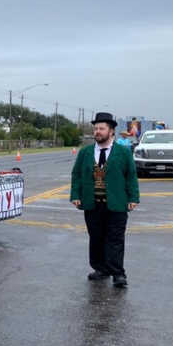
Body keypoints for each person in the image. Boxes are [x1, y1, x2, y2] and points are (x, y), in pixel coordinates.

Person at [70, 112, 140, 288]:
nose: (98, 132)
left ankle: (118, 273)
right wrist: (75, 195)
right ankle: (101, 269)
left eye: (102, 128)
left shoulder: (123, 152)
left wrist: (133, 197)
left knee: (115, 239)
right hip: (92, 203)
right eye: (96, 129)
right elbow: (76, 174)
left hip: (116, 204)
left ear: (111, 131)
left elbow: (131, 176)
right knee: (96, 237)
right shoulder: (85, 152)